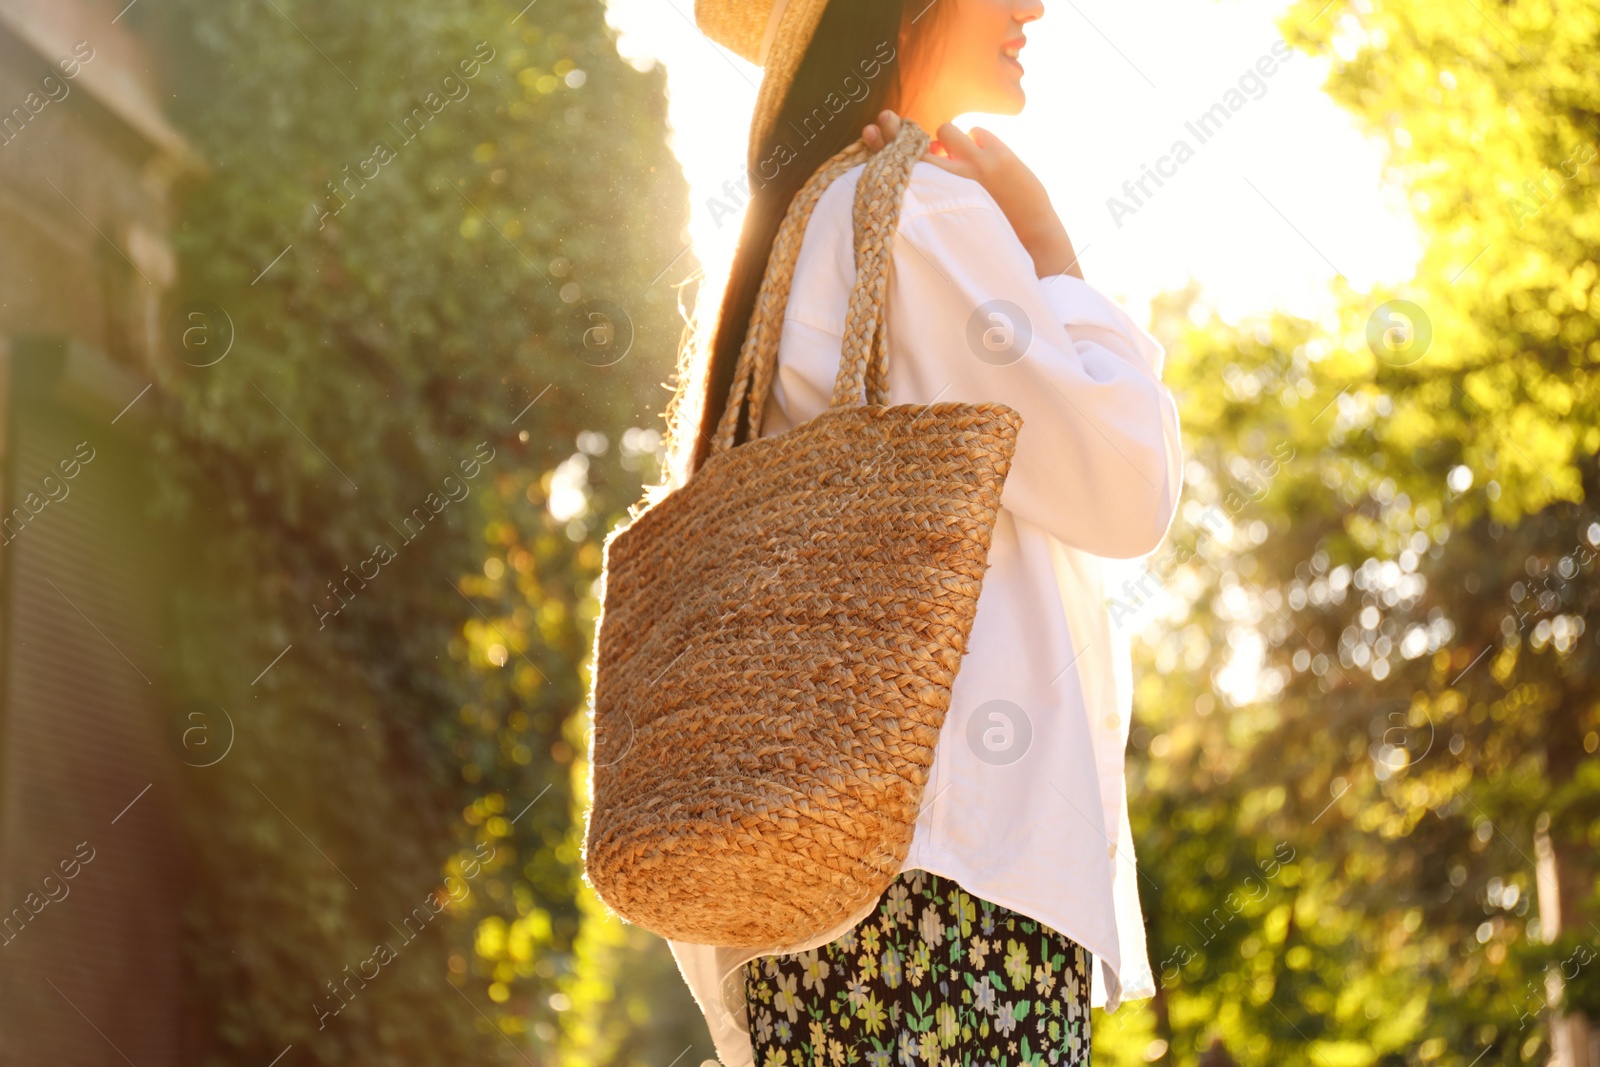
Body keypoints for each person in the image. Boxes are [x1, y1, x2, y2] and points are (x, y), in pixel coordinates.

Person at [658, 1, 1185, 1064]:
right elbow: (1128, 484)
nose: (1034, 4)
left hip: (828, 897)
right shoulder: (920, 219)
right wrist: (1053, 256)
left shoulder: (810, 223)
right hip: (949, 890)